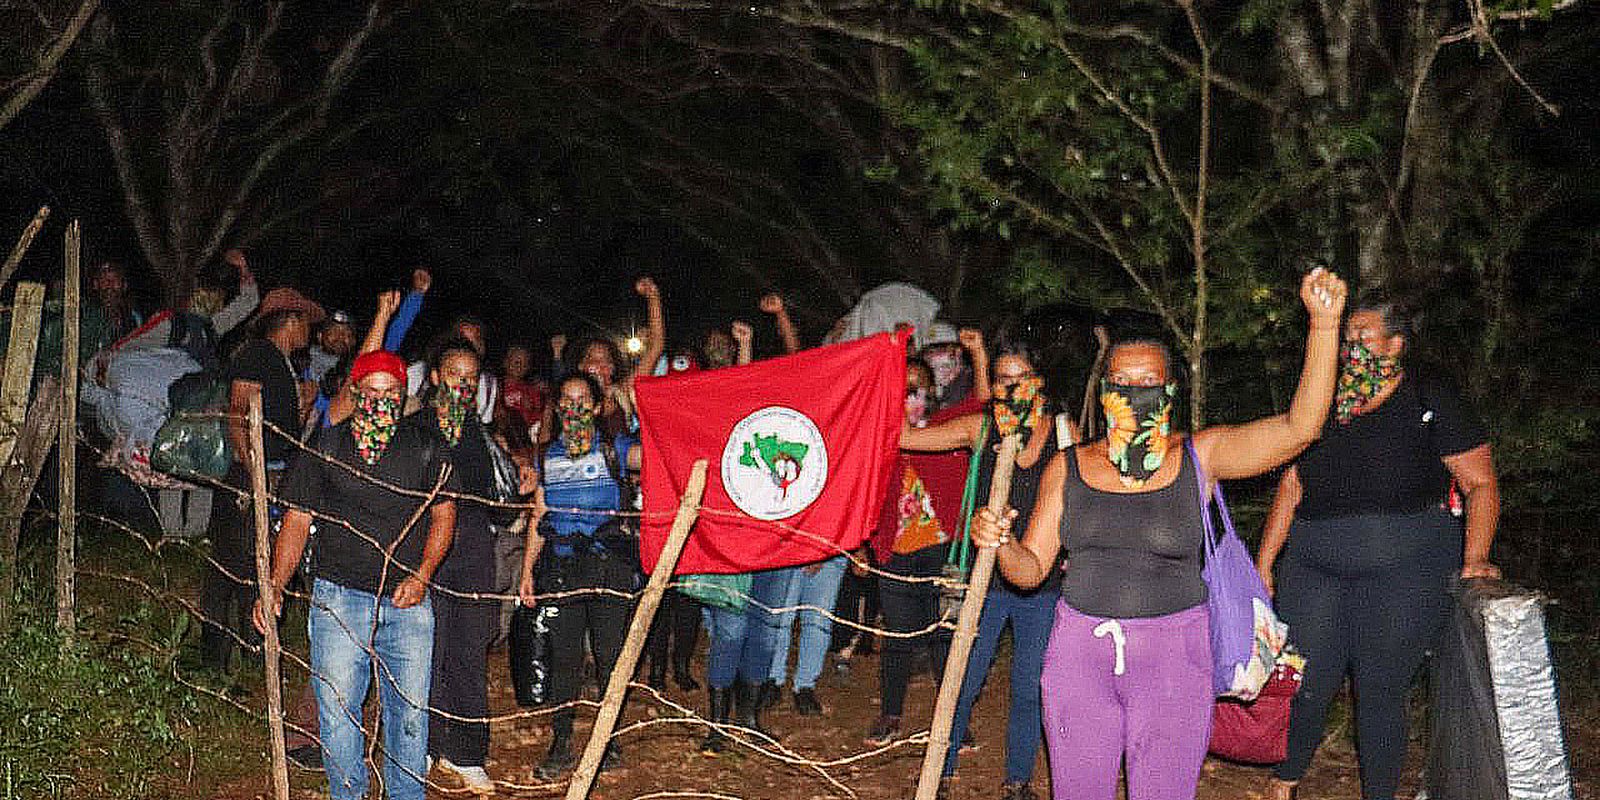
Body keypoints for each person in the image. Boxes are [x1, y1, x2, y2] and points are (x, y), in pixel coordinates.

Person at [970, 268, 1348, 800]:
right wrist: (1000, 540)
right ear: (1104, 392)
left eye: (1148, 382)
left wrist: (1325, 326)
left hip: (1174, 656)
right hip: (1079, 654)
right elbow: (1029, 570)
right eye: (1122, 382)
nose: (1133, 391)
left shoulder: (1201, 456)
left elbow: (1299, 429)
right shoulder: (1069, 466)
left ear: (1170, 389)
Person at [1256, 294, 1501, 800]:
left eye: (1361, 335)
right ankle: (1284, 782)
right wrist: (1265, 562)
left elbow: (1479, 483)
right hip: (1314, 565)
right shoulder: (1325, 398)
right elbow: (1291, 486)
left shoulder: (1428, 396)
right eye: (1346, 338)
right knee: (1305, 681)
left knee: (1380, 689)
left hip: (1407, 569)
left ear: (1396, 343)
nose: (1349, 347)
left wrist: (1476, 557)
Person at [253, 350, 458, 800]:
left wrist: (423, 575)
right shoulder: (326, 448)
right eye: (372, 391)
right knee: (338, 710)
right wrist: (274, 587)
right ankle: (348, 794)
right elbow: (296, 522)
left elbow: (444, 517)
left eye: (391, 393)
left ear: (403, 397)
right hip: (338, 600)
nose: (381, 401)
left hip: (407, 603)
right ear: (355, 392)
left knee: (409, 714)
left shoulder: (427, 447)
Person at [901, 331, 1071, 800]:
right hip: (984, 580)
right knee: (964, 675)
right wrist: (886, 383)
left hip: (1042, 582)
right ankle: (943, 769)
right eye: (1002, 380)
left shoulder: (1062, 431)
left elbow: (1080, 499)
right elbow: (907, 438)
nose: (1011, 389)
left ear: (1040, 382)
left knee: (1029, 685)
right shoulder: (981, 428)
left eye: (1022, 379)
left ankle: (1018, 780)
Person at [518, 372, 647, 778]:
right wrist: (526, 574)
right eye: (567, 400)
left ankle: (608, 740)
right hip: (562, 568)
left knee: (610, 656)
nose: (575, 408)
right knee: (565, 658)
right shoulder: (548, 456)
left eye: (582, 400)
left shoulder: (615, 449)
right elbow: (540, 515)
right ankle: (561, 743)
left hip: (609, 565)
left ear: (594, 407)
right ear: (557, 407)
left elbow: (652, 453)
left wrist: (641, 408)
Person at [421, 339, 527, 793]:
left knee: (467, 648)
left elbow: (500, 501)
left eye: (470, 378)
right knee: (426, 648)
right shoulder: (414, 429)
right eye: (453, 375)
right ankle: (423, 744)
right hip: (424, 552)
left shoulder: (481, 436)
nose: (461, 385)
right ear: (434, 378)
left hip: (472, 554)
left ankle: (466, 753)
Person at [199, 291, 323, 672]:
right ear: (290, 320)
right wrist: (253, 472)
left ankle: (253, 650)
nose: (310, 332)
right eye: (306, 323)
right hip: (250, 477)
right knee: (230, 567)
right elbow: (238, 413)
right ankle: (216, 658)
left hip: (272, 474)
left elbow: (281, 427)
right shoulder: (257, 355)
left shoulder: (285, 364)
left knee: (256, 562)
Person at [863, 357, 962, 746]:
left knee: (943, 634)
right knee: (899, 635)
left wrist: (980, 357)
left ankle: (953, 720)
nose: (911, 394)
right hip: (895, 549)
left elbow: (984, 403)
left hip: (940, 547)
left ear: (931, 390)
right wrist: (863, 546)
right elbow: (864, 491)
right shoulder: (878, 431)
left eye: (918, 386)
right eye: (903, 388)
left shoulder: (943, 428)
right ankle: (890, 713)